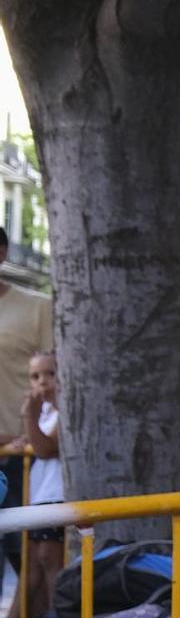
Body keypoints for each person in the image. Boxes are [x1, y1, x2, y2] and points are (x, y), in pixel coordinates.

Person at [0, 231, 53, 545]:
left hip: (25, 455)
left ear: (3, 253)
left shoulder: (38, 308)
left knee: (30, 559)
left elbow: (56, 382)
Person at [10, 350, 61, 618]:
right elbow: (34, 440)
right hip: (40, 496)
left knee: (52, 562)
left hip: (57, 497)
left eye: (50, 373)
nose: (43, 381)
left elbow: (45, 448)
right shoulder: (44, 413)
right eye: (36, 376)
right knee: (34, 562)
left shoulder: (65, 413)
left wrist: (28, 417)